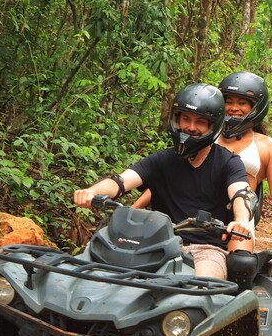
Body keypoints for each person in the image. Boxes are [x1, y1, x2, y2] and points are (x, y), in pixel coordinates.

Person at [74, 83, 255, 280]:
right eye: (186, 119)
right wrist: (92, 192)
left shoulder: (228, 162)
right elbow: (121, 181)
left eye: (200, 122)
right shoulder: (163, 159)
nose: (190, 127)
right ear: (176, 120)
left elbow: (241, 193)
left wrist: (241, 220)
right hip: (155, 244)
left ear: (213, 126)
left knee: (202, 288)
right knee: (92, 273)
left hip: (205, 250)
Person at [135, 71, 272, 257]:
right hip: (190, 216)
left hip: (237, 222)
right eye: (229, 101)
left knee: (239, 264)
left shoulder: (267, 146)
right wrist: (133, 211)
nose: (234, 108)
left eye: (242, 102)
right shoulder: (204, 136)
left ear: (256, 107)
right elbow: (167, 179)